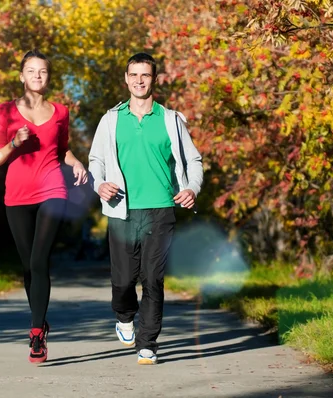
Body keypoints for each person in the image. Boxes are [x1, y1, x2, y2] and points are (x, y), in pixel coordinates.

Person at [88, 52, 203, 365]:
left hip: (160, 209)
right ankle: (125, 316)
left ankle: (148, 343)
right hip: (120, 210)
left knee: (153, 279)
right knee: (123, 280)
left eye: (146, 75)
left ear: (154, 79)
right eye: (134, 75)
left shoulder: (170, 120)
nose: (139, 81)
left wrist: (192, 188)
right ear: (126, 79)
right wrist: (98, 184)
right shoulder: (111, 120)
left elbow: (194, 159)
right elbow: (95, 161)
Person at [0, 49, 88, 364]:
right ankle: (40, 319)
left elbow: (61, 151)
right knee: (29, 266)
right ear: (21, 76)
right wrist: (14, 143)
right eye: (31, 71)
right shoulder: (4, 111)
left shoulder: (60, 111)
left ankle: (35, 335)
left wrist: (76, 163)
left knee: (40, 259)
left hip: (52, 190)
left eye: (42, 71)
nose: (37, 76)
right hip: (16, 196)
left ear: (48, 76)